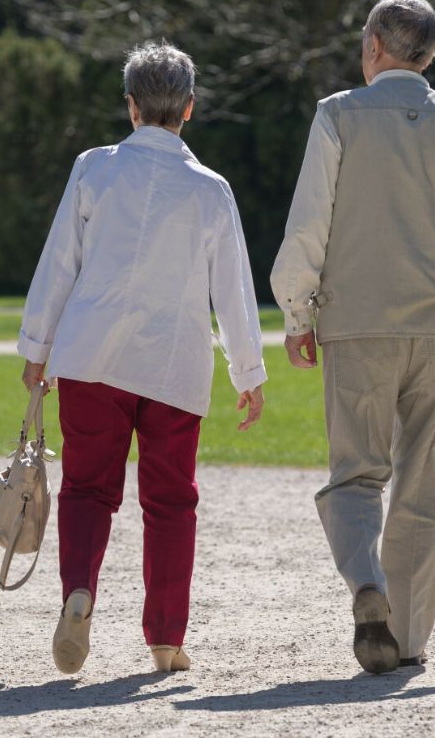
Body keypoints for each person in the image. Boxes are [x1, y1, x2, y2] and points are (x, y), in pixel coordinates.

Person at [270, 0, 435, 675]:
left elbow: (308, 225)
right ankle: (408, 636)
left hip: (357, 324)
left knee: (356, 473)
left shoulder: (337, 117)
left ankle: (367, 583)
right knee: (424, 484)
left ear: (374, 48)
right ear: (432, 53)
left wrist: (297, 312)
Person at [18, 41, 267, 675]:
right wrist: (248, 373)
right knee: (170, 503)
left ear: (131, 107)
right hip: (173, 363)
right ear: (190, 107)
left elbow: (59, 264)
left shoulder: (93, 169)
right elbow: (233, 289)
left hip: (89, 354)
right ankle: (164, 640)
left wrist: (36, 348)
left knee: (86, 487)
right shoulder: (211, 189)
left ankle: (79, 591)